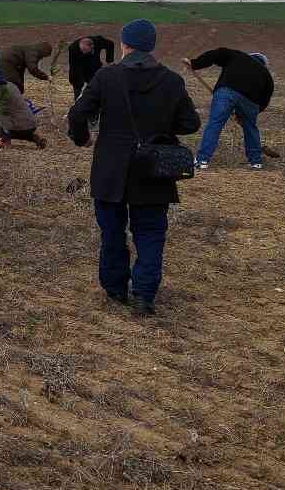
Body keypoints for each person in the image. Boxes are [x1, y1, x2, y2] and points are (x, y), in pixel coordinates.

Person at [67, 20, 200, 317]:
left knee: (112, 231)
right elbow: (190, 123)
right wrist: (162, 127)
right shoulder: (171, 80)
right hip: (153, 168)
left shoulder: (106, 76)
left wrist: (82, 138)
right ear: (151, 46)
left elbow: (77, 114)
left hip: (110, 168)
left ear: (124, 44)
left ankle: (115, 288)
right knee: (150, 233)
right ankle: (144, 295)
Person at [185, 48, 273, 170]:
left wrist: (195, 63)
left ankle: (202, 160)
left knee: (215, 124)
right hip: (250, 102)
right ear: (263, 64)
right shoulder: (266, 75)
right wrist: (249, 114)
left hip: (226, 92)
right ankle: (256, 162)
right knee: (250, 128)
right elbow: (264, 100)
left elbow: (218, 53)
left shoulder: (237, 56)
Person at [68, 35, 117, 100]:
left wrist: (109, 61)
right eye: (83, 51)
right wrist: (78, 82)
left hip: (94, 67)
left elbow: (110, 44)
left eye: (87, 51)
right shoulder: (73, 48)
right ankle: (78, 101)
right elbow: (73, 68)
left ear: (93, 47)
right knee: (77, 84)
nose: (84, 52)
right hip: (80, 67)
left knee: (98, 86)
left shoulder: (98, 41)